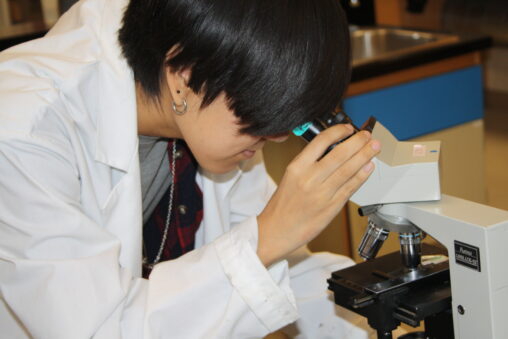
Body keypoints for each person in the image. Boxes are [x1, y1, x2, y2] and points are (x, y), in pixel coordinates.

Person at [0, 0, 381, 338]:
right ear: (182, 74)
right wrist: (270, 233)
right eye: (263, 116)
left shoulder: (209, 79)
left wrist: (374, 309)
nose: (278, 137)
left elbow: (277, 270)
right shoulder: (22, 134)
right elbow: (101, 328)